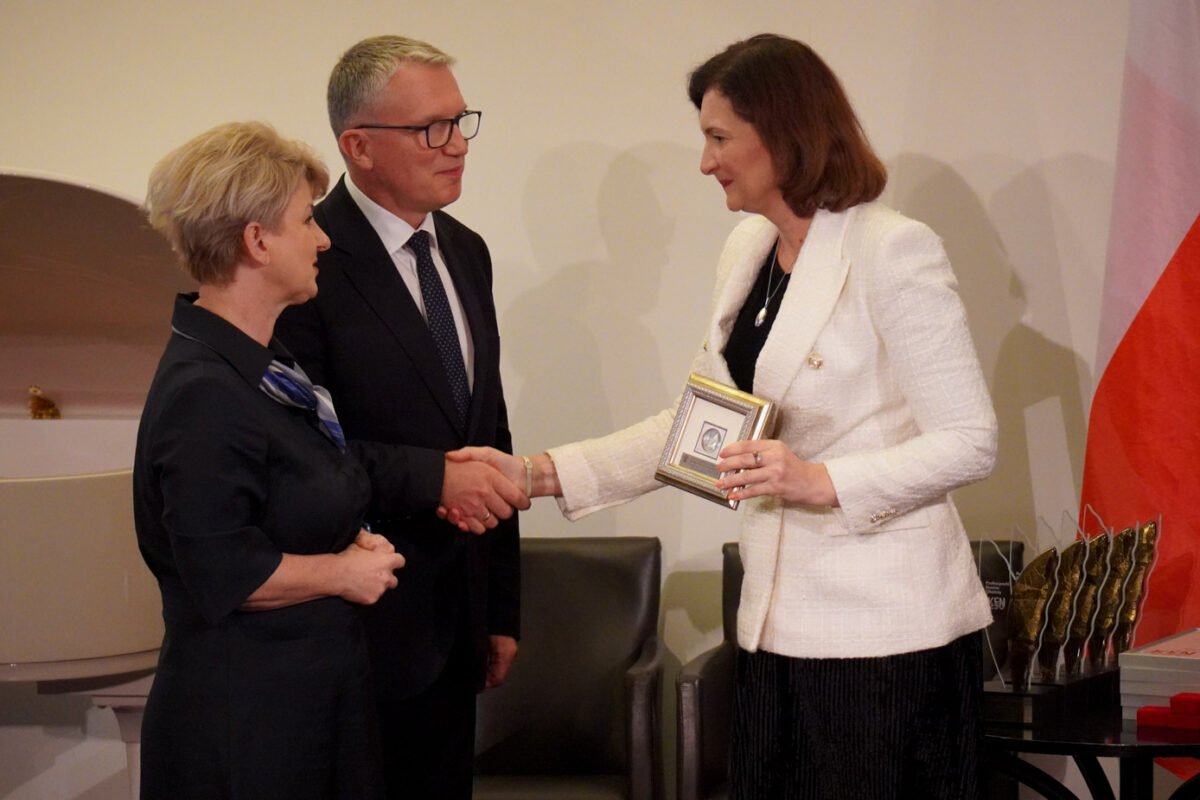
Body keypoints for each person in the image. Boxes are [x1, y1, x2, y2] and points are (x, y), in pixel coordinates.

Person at [449, 34, 998, 799]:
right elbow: (700, 428)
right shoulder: (748, 250)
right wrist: (536, 474)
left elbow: (971, 441)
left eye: (718, 138)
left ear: (783, 132)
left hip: (886, 636)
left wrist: (821, 480)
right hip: (775, 625)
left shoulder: (892, 250)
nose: (706, 162)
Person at [274, 35, 524, 800]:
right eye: (430, 129)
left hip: (460, 624)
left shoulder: (467, 251)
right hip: (360, 627)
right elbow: (300, 452)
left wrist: (501, 607)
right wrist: (434, 478)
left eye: (460, 121)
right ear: (359, 147)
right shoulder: (304, 261)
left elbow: (489, 434)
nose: (457, 146)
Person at [134, 121, 414, 799]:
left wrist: (348, 537)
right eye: (307, 220)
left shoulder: (264, 363)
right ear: (257, 242)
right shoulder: (205, 390)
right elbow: (222, 570)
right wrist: (343, 571)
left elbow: (287, 497)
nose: (323, 239)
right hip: (247, 729)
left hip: (303, 706)